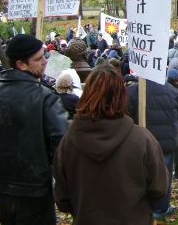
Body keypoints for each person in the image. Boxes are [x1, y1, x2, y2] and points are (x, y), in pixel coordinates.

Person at [53, 65, 168, 225]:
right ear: (121, 96)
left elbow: (62, 198)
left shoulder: (68, 142)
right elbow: (159, 189)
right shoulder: (142, 139)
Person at [0, 34, 68, 224]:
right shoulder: (45, 97)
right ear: (21, 64)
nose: (45, 62)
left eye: (44, 56)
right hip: (35, 190)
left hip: (3, 187)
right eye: (38, 58)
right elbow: (62, 145)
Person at [127, 75, 178, 219]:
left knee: (141, 174)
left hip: (142, 142)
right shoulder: (173, 91)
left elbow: (127, 112)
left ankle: (147, 206)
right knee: (164, 175)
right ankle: (160, 207)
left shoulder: (133, 91)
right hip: (165, 142)